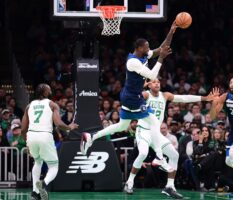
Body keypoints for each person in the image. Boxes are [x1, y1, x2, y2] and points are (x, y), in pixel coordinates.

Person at [81, 22, 177, 172]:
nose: (148, 48)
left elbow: (161, 49)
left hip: (130, 96)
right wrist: (161, 59)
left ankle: (91, 137)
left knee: (122, 126)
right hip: (133, 97)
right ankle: (160, 158)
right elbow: (152, 75)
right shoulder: (132, 61)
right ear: (139, 48)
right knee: (153, 122)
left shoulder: (143, 55)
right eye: (146, 46)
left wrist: (171, 32)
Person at [124, 79, 218, 198]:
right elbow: (131, 96)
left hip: (156, 133)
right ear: (149, 85)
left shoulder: (165, 95)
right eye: (153, 82)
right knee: (143, 153)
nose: (157, 83)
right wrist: (141, 85)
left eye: (158, 82)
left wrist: (204, 98)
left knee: (174, 155)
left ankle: (169, 186)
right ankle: (129, 182)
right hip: (143, 130)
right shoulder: (146, 94)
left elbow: (183, 98)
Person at [21, 84, 78, 200]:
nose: (51, 90)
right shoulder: (52, 104)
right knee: (53, 166)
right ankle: (43, 184)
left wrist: (27, 142)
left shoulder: (29, 106)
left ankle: (34, 193)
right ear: (45, 92)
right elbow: (58, 124)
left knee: (37, 162)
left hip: (31, 135)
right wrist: (70, 127)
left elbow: (22, 129)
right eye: (49, 89)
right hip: (45, 135)